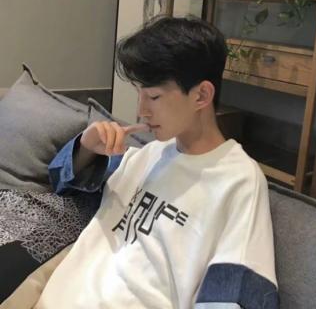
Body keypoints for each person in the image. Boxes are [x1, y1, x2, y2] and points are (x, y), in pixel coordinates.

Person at [35, 16, 278, 309]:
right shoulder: (146, 155)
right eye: (139, 94)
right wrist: (86, 147)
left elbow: (236, 295)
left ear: (201, 95)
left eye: (153, 96)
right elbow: (61, 184)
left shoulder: (238, 180)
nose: (141, 111)